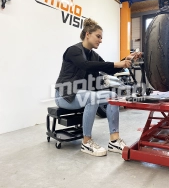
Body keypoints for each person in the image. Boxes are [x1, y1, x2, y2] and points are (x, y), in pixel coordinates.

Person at [55, 18, 142, 157]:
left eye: (101, 37)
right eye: (98, 36)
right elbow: (85, 65)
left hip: (82, 95)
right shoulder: (74, 51)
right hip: (65, 96)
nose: (101, 40)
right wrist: (116, 64)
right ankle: (86, 142)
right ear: (87, 34)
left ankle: (114, 140)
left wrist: (127, 59)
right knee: (93, 97)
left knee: (113, 96)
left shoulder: (93, 54)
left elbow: (109, 69)